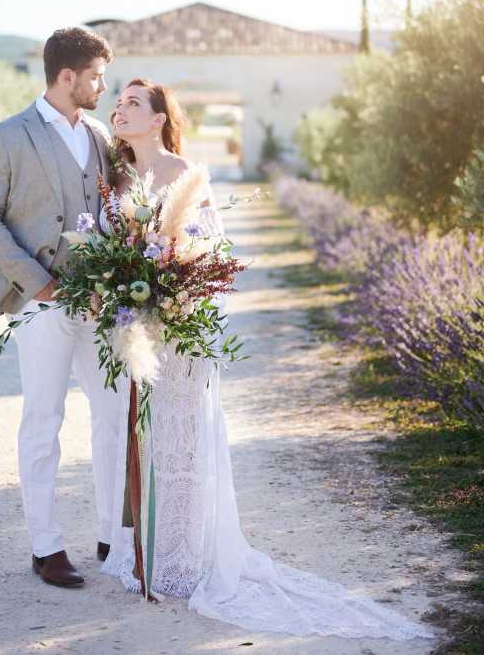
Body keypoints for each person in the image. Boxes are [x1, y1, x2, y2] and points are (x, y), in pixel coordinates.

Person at [99, 78, 435, 641]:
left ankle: (186, 559)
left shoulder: (187, 173)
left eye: (134, 102)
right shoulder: (115, 180)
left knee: (183, 441)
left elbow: (210, 253)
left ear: (158, 118)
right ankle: (147, 553)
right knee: (144, 441)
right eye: (119, 102)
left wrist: (172, 292)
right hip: (137, 334)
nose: (121, 109)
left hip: (179, 332)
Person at [0, 27, 121, 588]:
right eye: (97, 76)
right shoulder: (6, 136)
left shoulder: (100, 134)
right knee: (43, 419)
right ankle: (46, 547)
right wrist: (38, 283)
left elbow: (111, 211)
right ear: (68, 76)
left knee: (112, 413)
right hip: (40, 303)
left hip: (100, 303)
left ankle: (112, 537)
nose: (104, 85)